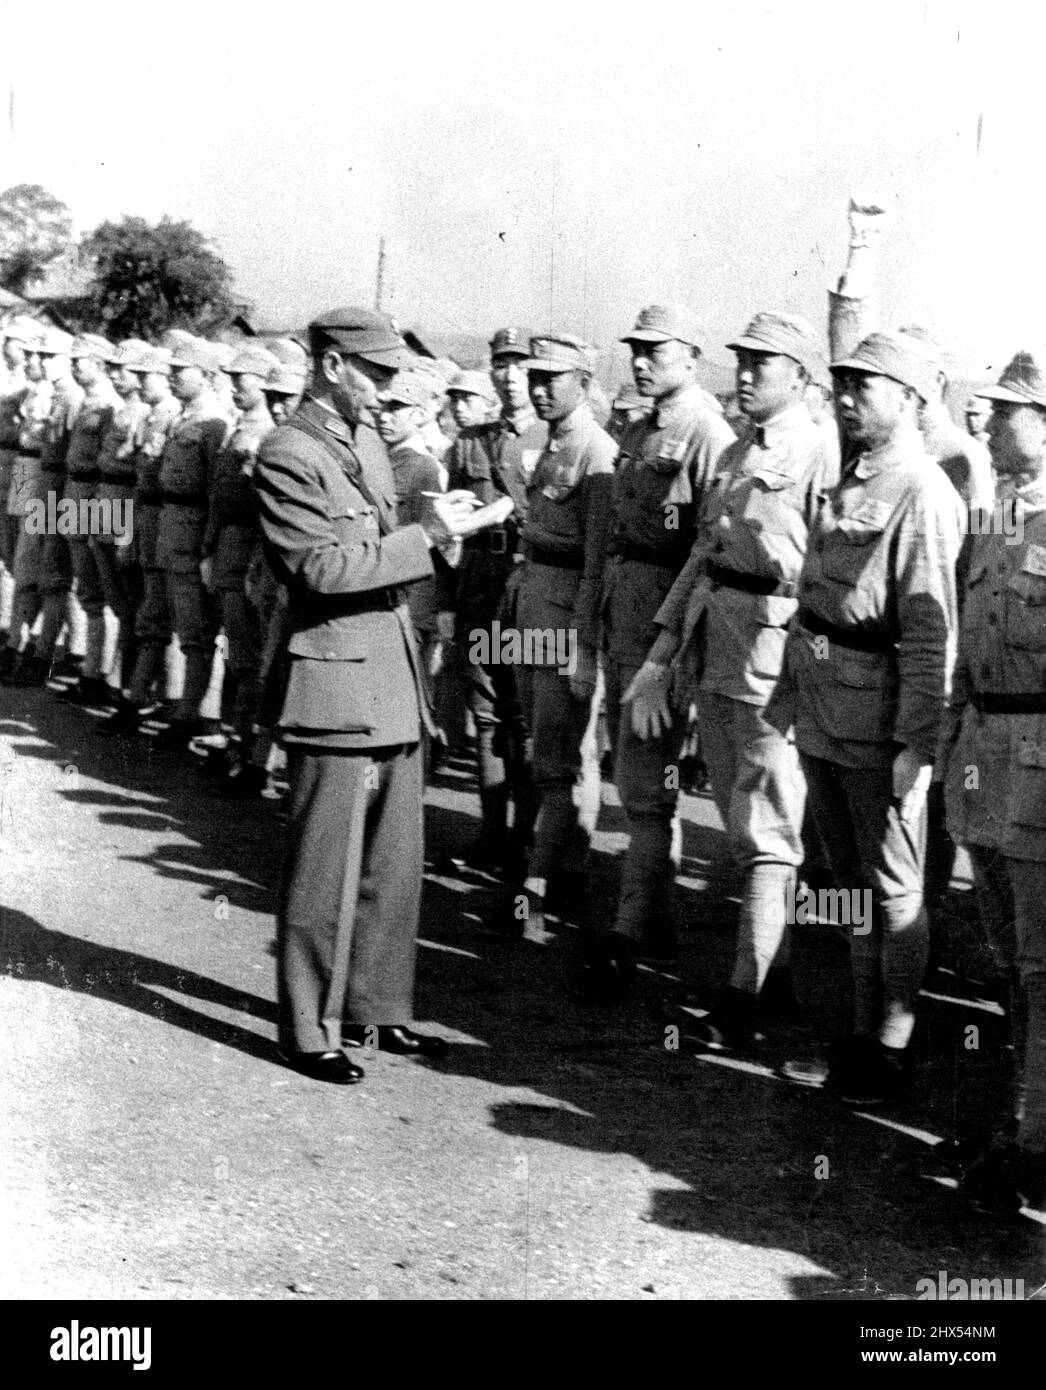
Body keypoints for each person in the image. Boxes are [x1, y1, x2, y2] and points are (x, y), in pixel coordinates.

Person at [251, 306, 487, 1084]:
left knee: (394, 866)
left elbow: (374, 543)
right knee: (324, 871)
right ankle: (307, 1024)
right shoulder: (287, 452)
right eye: (375, 372)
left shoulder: (364, 444)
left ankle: (378, 1009)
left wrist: (433, 521)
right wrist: (425, 540)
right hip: (332, 684)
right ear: (329, 365)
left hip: (390, 675)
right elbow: (319, 568)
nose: (387, 388)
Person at [764, 330, 964, 1106]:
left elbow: (929, 633)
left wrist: (918, 744)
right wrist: (787, 701)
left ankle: (890, 1047)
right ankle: (855, 1030)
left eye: (866, 386)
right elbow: (816, 605)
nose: (846, 396)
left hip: (877, 720)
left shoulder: (924, 493)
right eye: (842, 382)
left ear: (911, 402)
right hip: (824, 709)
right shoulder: (851, 482)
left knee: (895, 886)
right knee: (848, 881)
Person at [626, 312, 836, 1035]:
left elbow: (833, 579)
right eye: (741, 361)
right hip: (718, 647)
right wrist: (659, 656)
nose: (744, 374)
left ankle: (748, 996)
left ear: (802, 379)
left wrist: (810, 676)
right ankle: (767, 980)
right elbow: (702, 558)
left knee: (772, 829)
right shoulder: (741, 448)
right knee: (744, 825)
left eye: (763, 364)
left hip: (776, 659)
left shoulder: (821, 455)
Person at [576, 303, 734, 997]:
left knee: (646, 785)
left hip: (663, 625)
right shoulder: (641, 428)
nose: (640, 360)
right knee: (634, 778)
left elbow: (707, 552)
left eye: (656, 351)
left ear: (691, 358)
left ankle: (628, 933)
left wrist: (673, 656)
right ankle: (653, 915)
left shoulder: (708, 433)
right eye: (635, 348)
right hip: (625, 607)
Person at [941, 349, 1046, 1213]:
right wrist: (949, 755)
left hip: (1043, 765)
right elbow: (963, 658)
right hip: (986, 755)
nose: (992, 418)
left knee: (1045, 969)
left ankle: (1035, 1144)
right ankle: (1023, 1120)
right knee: (1008, 964)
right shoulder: (992, 518)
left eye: (1010, 408)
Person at [493, 332, 617, 938]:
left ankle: (539, 889)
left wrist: (583, 647)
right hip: (531, 604)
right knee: (545, 748)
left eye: (552, 378)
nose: (538, 388)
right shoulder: (550, 445)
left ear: (584, 383)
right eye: (532, 377)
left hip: (565, 617)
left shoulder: (598, 455)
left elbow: (597, 564)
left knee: (559, 760)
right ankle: (562, 868)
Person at [441, 327, 545, 876]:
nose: (508, 375)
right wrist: (449, 598)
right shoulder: (469, 441)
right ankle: (492, 831)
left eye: (520, 365)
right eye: (500, 364)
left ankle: (527, 844)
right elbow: (453, 517)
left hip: (530, 581)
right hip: (482, 580)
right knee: (484, 711)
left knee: (523, 713)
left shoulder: (557, 438)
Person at [200, 343, 279, 785]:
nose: (234, 386)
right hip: (230, 547)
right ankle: (237, 741)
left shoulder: (270, 432)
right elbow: (218, 496)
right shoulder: (238, 427)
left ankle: (255, 756)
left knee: (252, 659)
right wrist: (209, 546)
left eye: (241, 379)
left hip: (255, 549)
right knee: (236, 653)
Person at [154, 337, 230, 750]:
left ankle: (197, 717)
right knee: (187, 627)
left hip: (193, 530)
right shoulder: (185, 417)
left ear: (206, 375)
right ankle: (193, 712)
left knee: (199, 632)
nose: (171, 376)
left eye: (180, 370)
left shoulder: (213, 425)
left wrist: (207, 546)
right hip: (173, 526)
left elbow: (217, 491)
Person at [103, 346, 184, 732]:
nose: (138, 380)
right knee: (141, 608)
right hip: (143, 516)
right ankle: (142, 695)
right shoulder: (154, 415)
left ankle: (151, 699)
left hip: (164, 519)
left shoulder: (170, 416)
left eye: (144, 374)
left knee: (154, 613)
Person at [86, 340, 151, 702]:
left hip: (125, 505)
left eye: (124, 369)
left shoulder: (146, 413)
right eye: (113, 368)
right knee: (115, 598)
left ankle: (123, 684)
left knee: (130, 602)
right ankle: (114, 678)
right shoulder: (119, 410)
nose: (116, 375)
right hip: (104, 502)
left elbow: (141, 475)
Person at [373, 367, 447, 681]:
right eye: (382, 407)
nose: (384, 417)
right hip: (375, 589)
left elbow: (433, 546)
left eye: (395, 409)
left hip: (407, 601)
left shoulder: (426, 469)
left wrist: (419, 613)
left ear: (418, 415)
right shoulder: (378, 459)